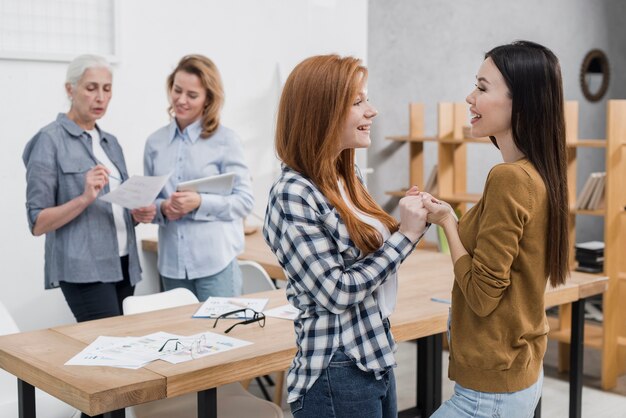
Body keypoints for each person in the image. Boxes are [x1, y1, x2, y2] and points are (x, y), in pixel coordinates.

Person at [263, 54, 430, 418]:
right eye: (357, 102)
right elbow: (336, 291)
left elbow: (368, 256)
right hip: (336, 367)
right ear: (320, 113)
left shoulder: (346, 174)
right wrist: (407, 237)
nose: (371, 111)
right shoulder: (293, 193)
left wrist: (406, 222)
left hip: (374, 352)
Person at [417, 41, 569, 418]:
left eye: (483, 88)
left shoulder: (509, 179)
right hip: (516, 374)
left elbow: (483, 295)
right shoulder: (538, 174)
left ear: (523, 102)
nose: (470, 98)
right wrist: (449, 218)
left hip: (490, 392)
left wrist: (449, 227)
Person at [23, 54, 145, 323]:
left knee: (128, 349)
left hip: (124, 263)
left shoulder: (110, 143)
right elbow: (37, 223)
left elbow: (113, 209)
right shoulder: (48, 140)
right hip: (84, 270)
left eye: (107, 88)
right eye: (91, 88)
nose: (100, 97)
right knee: (110, 348)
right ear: (70, 89)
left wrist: (136, 214)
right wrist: (84, 198)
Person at [134, 54, 253, 301]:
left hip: (215, 263)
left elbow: (244, 201)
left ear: (208, 98)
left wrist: (199, 202)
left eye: (192, 95)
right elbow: (151, 202)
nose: (181, 100)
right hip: (171, 264)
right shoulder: (154, 143)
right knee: (180, 339)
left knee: (224, 336)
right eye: (177, 90)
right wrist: (161, 208)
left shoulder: (226, 141)